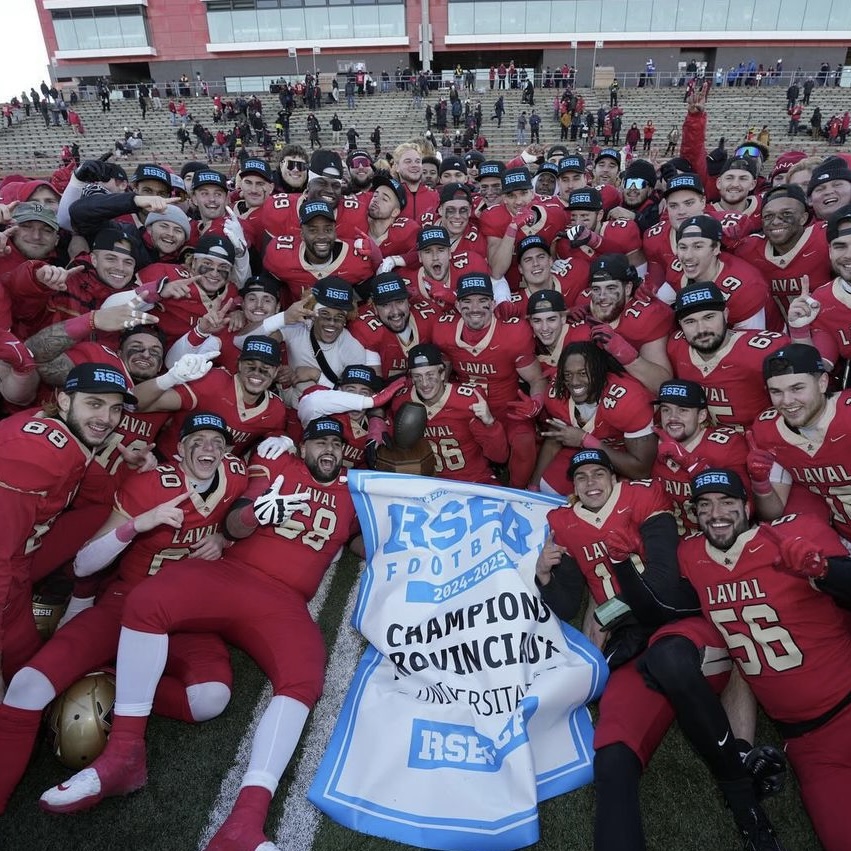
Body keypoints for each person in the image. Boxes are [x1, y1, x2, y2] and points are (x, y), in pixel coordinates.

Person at [39, 417, 361, 851]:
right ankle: (123, 756)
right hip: (229, 573)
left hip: (285, 603)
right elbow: (235, 524)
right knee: (147, 602)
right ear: (301, 446)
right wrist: (256, 512)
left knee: (305, 677)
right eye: (318, 441)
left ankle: (245, 824)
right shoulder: (276, 463)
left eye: (335, 445)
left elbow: (365, 544)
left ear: (345, 452)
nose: (327, 450)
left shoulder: (356, 493)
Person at [0, 411, 246, 813]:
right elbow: (83, 564)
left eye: (217, 442)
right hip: (129, 602)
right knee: (27, 686)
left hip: (187, 615)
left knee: (210, 700)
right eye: (197, 440)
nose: (208, 448)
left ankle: (106, 676)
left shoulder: (233, 474)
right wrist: (137, 525)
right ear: (179, 448)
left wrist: (224, 537)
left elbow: (249, 498)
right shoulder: (149, 486)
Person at [538, 449, 782, 851]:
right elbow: (565, 604)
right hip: (635, 640)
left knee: (667, 655)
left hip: (682, 628)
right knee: (612, 758)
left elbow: (665, 599)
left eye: (600, 473)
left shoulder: (646, 497)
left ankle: (745, 804)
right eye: (580, 478)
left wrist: (623, 566)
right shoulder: (562, 521)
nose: (590, 483)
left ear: (616, 478)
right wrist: (544, 575)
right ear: (573, 487)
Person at [681, 466, 851, 851]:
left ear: (747, 505)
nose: (716, 513)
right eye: (704, 505)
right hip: (809, 743)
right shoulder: (690, 556)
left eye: (727, 502)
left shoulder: (795, 534)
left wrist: (824, 571)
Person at [0, 363, 133, 694]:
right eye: (94, 403)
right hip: (6, 567)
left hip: (17, 561)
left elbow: (98, 494)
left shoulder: (63, 432)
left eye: (115, 408)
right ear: (63, 400)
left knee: (24, 659)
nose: (106, 417)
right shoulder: (33, 457)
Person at [667, 282, 788, 428]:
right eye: (690, 321)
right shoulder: (676, 347)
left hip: (762, 441)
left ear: (725, 314)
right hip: (708, 443)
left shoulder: (765, 351)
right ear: (680, 324)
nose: (702, 329)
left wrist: (801, 332)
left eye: (709, 317)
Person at [650, 379, 748, 535]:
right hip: (673, 539)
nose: (672, 417)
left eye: (683, 410)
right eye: (666, 410)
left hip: (718, 536)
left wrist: (691, 464)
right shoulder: (652, 442)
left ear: (702, 415)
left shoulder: (727, 445)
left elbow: (746, 508)